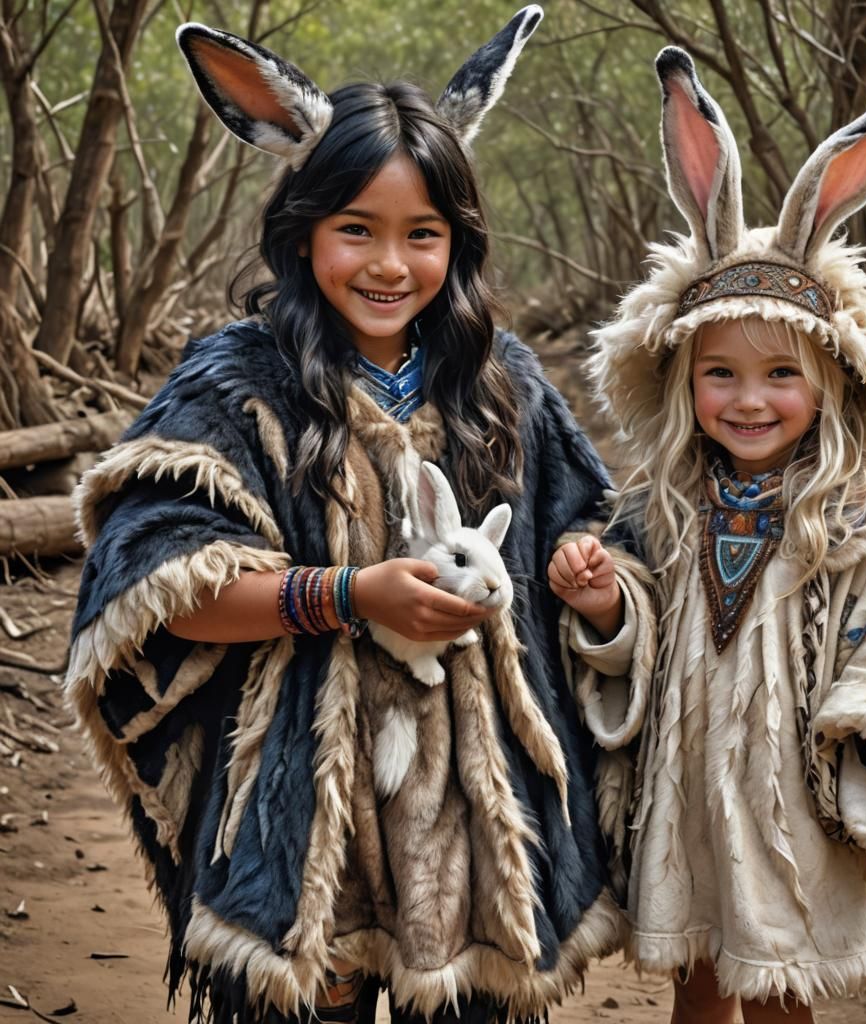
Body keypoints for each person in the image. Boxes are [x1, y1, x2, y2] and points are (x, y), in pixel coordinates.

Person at [65, 9, 625, 1023]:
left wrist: (598, 580)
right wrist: (346, 595)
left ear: (457, 241)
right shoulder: (237, 382)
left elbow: (595, 540)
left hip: (468, 831)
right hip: (297, 818)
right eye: (355, 229)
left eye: (423, 235)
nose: (388, 265)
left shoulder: (506, 389)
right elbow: (152, 581)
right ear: (304, 228)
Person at [548, 47, 866, 1023]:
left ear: (832, 382)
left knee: (779, 984)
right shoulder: (665, 513)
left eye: (779, 375)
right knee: (698, 976)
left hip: (791, 804)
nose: (748, 399)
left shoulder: (854, 520)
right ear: (680, 380)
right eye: (720, 374)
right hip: (690, 797)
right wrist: (603, 603)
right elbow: (646, 626)